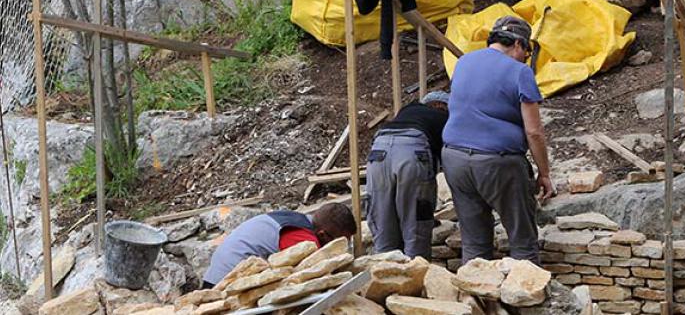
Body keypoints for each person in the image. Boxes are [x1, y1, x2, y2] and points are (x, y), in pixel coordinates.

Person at [441, 15, 554, 263]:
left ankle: (472, 299)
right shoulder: (520, 72)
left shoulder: (464, 62)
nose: (526, 57)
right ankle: (525, 298)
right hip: (497, 162)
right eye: (526, 51)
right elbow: (534, 132)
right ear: (517, 45)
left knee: (474, 243)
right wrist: (544, 174)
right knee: (522, 242)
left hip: (454, 158)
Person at [366, 90, 450, 258]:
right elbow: (448, 160)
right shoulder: (443, 118)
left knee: (382, 214)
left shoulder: (407, 110)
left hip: (379, 150)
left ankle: (384, 266)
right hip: (412, 149)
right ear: (441, 106)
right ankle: (415, 268)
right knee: (415, 216)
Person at [202, 202, 355, 287]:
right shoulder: (303, 239)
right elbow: (305, 278)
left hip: (218, 274)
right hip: (224, 284)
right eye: (339, 242)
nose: (341, 247)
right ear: (323, 235)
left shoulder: (299, 220)